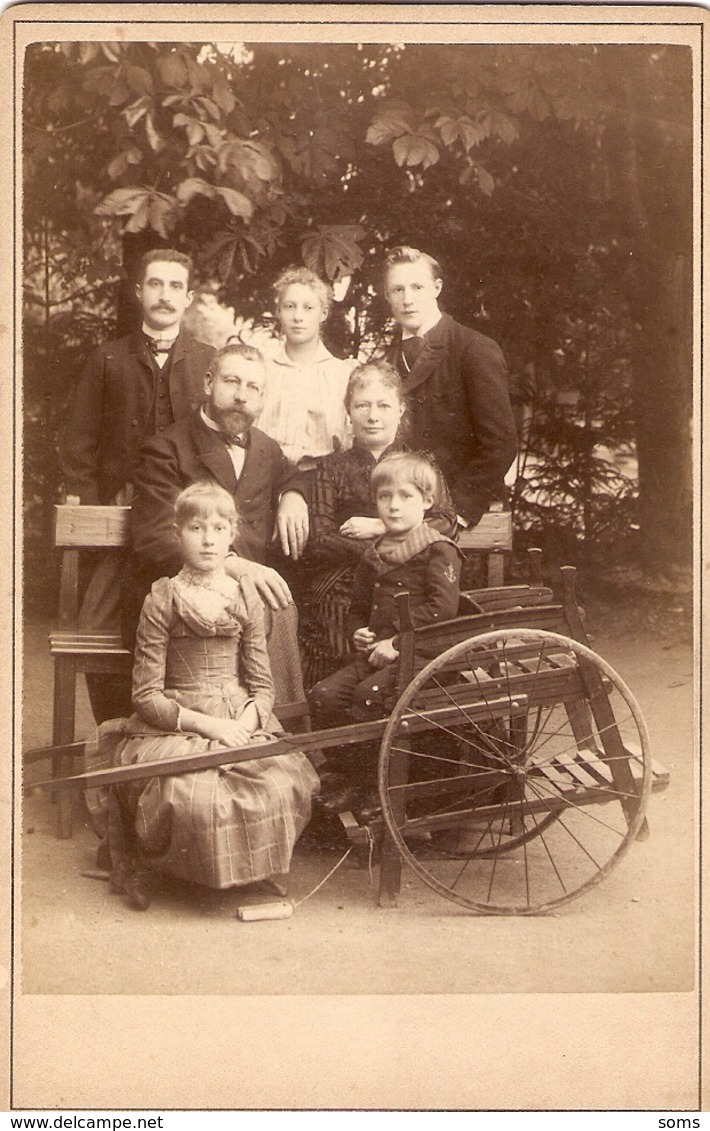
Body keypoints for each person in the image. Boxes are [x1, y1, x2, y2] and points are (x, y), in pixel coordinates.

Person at [86, 482, 319, 911]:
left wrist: (245, 726)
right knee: (190, 795)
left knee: (282, 783)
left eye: (218, 528)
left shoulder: (245, 596)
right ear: (177, 534)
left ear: (233, 535)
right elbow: (146, 695)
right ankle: (166, 870)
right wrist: (209, 726)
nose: (208, 539)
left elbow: (263, 687)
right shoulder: (163, 598)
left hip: (238, 714)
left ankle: (249, 869)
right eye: (196, 528)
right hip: (181, 717)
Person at [59, 248, 215, 723]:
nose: (164, 296)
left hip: (181, 525)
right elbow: (77, 443)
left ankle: (171, 742)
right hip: (118, 526)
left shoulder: (209, 361)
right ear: (139, 291)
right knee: (99, 632)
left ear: (188, 297)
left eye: (174, 286)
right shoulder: (108, 357)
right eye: (155, 284)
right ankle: (115, 733)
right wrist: (93, 512)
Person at [122, 342, 311, 709]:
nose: (241, 396)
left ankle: (274, 731)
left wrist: (293, 495)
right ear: (208, 383)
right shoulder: (166, 448)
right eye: (232, 382)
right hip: (179, 592)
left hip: (244, 596)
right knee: (273, 607)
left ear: (261, 398)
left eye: (253, 388)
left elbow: (295, 477)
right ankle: (264, 737)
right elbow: (156, 540)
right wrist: (235, 566)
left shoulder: (265, 449)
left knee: (279, 605)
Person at [308, 451, 463, 815]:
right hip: (378, 655)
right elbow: (358, 608)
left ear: (427, 501)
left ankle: (380, 786)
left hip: (426, 655)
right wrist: (357, 632)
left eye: (405, 496)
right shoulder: (373, 553)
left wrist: (396, 642)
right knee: (324, 696)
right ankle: (352, 775)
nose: (393, 506)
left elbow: (443, 610)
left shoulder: (438, 550)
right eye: (384, 497)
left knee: (367, 696)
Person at [300, 359, 457, 687]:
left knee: (394, 624)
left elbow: (444, 520)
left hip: (411, 582)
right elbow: (320, 536)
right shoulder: (331, 468)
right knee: (340, 633)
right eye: (362, 406)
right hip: (342, 581)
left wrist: (382, 530)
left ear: (400, 409)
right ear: (348, 410)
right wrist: (373, 558)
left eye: (384, 405)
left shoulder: (420, 463)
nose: (373, 416)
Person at [383, 245, 518, 532]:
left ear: (437, 288)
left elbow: (501, 445)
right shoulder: (386, 363)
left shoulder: (473, 349)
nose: (407, 299)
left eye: (417, 287)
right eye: (398, 290)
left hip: (465, 518)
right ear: (388, 296)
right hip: (400, 514)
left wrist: (454, 513)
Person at [258, 266, 356, 469]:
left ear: (323, 313)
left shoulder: (342, 374)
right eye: (289, 306)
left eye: (308, 308)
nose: (297, 317)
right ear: (278, 311)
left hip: (323, 482)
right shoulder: (262, 372)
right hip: (267, 479)